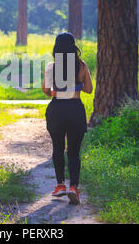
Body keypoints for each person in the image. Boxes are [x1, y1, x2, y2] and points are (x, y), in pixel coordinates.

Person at [42, 32, 93, 205]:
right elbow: (88, 89)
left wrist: (55, 91)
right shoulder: (82, 65)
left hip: (56, 108)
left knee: (57, 148)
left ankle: (60, 185)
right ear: (73, 46)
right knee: (74, 152)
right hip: (75, 109)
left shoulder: (51, 67)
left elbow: (46, 90)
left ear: (56, 47)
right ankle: (74, 187)